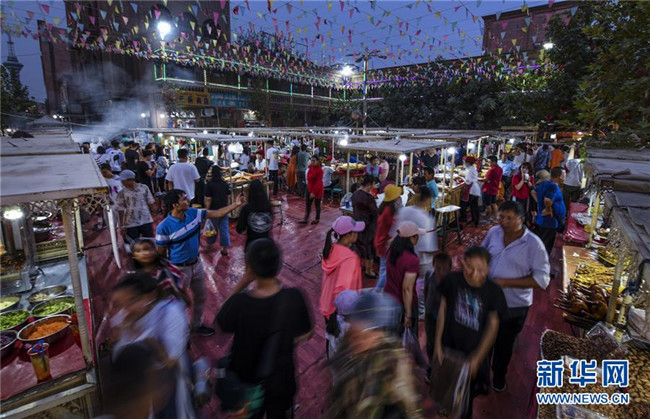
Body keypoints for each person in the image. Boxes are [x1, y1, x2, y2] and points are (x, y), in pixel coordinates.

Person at [216, 239, 313, 419]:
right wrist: (285, 341)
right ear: (278, 265)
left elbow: (222, 320)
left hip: (247, 382)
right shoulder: (294, 297)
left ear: (251, 268)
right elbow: (307, 333)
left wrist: (244, 281)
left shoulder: (240, 303)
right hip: (281, 379)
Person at [481, 201, 550, 392]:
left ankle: (499, 375)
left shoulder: (533, 245)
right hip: (489, 299)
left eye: (509, 218)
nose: (504, 222)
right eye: (501, 217)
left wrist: (506, 282)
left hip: (514, 305)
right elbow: (482, 253)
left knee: (504, 343)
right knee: (484, 339)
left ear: (521, 219)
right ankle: (482, 374)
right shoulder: (493, 233)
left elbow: (542, 280)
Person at [156, 189, 244, 336]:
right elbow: (161, 253)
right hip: (179, 270)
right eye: (184, 199)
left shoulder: (193, 213)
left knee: (200, 297)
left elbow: (216, 213)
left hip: (197, 265)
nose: (188, 201)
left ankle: (197, 325)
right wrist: (167, 274)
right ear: (175, 205)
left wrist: (236, 204)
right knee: (179, 303)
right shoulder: (164, 227)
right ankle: (180, 332)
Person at [434, 246, 506, 418]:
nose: (474, 274)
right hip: (449, 348)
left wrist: (478, 357)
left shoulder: (494, 292)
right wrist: (437, 344)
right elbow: (443, 309)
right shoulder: (452, 281)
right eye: (470, 267)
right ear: (463, 263)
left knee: (464, 399)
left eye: (480, 269)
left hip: (471, 355)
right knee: (444, 389)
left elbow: (493, 326)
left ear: (488, 269)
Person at [110, 272, 194, 418]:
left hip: (167, 384)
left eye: (132, 301)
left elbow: (169, 361)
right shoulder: (123, 315)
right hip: (138, 387)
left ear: (150, 296)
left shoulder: (170, 313)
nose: (125, 309)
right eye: (120, 304)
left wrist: (139, 333)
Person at [326, 292, 421, 419]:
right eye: (354, 334)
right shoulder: (350, 350)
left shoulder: (394, 365)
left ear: (379, 334)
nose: (357, 342)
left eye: (364, 335)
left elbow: (408, 406)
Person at [320, 216, 364, 357]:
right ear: (348, 235)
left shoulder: (331, 249)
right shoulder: (349, 258)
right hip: (339, 311)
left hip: (327, 304)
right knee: (342, 347)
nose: (357, 233)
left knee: (331, 341)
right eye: (355, 231)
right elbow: (342, 288)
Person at [384, 221, 426, 337]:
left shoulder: (391, 251)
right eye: (416, 236)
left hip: (389, 298)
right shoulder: (412, 260)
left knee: (392, 336)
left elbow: (391, 241)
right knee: (408, 337)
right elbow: (407, 289)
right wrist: (408, 314)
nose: (418, 238)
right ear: (412, 238)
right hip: (403, 304)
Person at [129, 238, 189, 304]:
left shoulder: (167, 268)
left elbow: (182, 283)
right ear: (133, 256)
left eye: (148, 249)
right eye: (139, 251)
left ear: (155, 250)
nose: (144, 253)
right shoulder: (134, 277)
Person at [423, 252, 452, 367]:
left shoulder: (451, 282)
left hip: (444, 318)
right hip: (430, 314)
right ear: (433, 265)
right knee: (430, 341)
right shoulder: (429, 275)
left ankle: (441, 366)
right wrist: (427, 306)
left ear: (450, 269)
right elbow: (426, 290)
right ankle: (431, 365)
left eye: (444, 269)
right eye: (438, 268)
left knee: (443, 342)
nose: (440, 272)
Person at [373, 184, 402, 290]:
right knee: (386, 270)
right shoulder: (388, 212)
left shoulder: (385, 208)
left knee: (383, 268)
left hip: (381, 242)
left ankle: (380, 290)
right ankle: (378, 290)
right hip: (385, 244)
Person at [115, 170, 156, 244]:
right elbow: (120, 210)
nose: (122, 183)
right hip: (130, 223)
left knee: (150, 242)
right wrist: (122, 225)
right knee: (131, 244)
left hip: (146, 220)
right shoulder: (122, 193)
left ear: (131, 180)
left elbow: (151, 202)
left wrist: (154, 213)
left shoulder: (144, 188)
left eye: (123, 181)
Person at [533, 167, 566, 255]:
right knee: (545, 248)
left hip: (541, 220)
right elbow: (547, 199)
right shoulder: (553, 186)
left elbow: (533, 192)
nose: (565, 178)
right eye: (564, 175)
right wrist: (548, 209)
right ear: (561, 176)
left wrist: (539, 203)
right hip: (549, 222)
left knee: (540, 243)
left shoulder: (545, 184)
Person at [352, 175, 379, 278]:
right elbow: (375, 212)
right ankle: (369, 271)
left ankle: (359, 266)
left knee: (358, 245)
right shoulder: (369, 198)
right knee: (369, 247)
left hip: (357, 223)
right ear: (370, 184)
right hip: (368, 225)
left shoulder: (355, 194)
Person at [236, 179, 273, 251]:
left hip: (252, 247)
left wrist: (240, 210)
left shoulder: (247, 208)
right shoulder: (268, 206)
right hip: (267, 246)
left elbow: (240, 229)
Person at [204, 166, 232, 256]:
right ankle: (225, 249)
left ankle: (209, 245)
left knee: (212, 228)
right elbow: (228, 196)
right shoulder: (224, 183)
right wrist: (227, 207)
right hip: (224, 209)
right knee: (224, 229)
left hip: (214, 210)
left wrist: (207, 210)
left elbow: (208, 199)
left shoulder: (209, 184)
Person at [301, 156, 324, 225]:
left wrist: (314, 192)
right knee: (308, 204)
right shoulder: (310, 167)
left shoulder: (320, 170)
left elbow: (318, 183)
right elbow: (308, 177)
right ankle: (306, 218)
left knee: (317, 205)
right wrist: (309, 189)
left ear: (318, 161)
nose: (312, 162)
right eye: (311, 160)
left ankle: (317, 219)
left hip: (318, 190)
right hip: (309, 187)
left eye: (314, 161)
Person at [460, 156, 481, 227]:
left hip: (471, 190)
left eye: (464, 162)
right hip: (475, 189)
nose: (464, 163)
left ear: (468, 163)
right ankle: (475, 220)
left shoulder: (469, 170)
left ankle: (463, 220)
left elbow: (468, 182)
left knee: (463, 205)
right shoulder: (472, 168)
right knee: (474, 206)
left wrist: (463, 191)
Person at [481, 155, 503, 223]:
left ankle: (487, 219)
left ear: (494, 162)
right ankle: (495, 217)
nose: (488, 163)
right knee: (493, 203)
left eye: (489, 162)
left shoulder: (492, 170)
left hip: (488, 189)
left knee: (488, 205)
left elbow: (485, 179)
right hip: (495, 188)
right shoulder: (500, 169)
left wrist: (476, 178)